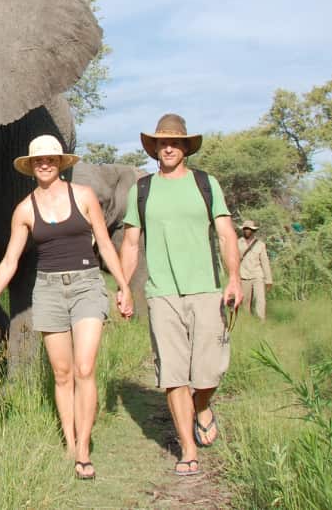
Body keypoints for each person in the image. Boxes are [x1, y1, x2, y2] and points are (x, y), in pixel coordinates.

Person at [0, 135, 133, 481]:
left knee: (85, 368)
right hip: (49, 291)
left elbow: (103, 242)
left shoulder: (83, 196)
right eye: (39, 160)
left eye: (51, 159)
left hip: (86, 284)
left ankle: (83, 449)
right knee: (62, 373)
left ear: (60, 163)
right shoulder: (24, 210)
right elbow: (10, 261)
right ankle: (69, 441)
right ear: (31, 166)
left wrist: (124, 287)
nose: (45, 164)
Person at [119, 114, 242, 477]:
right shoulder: (141, 190)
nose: (168, 147)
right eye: (161, 142)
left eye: (175, 141)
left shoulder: (206, 184)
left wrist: (234, 277)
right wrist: (125, 287)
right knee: (174, 375)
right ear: (154, 148)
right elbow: (130, 242)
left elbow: (225, 234)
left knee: (208, 374)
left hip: (206, 290)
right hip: (161, 294)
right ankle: (188, 449)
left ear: (186, 147)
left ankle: (202, 406)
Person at [238, 220, 272, 320]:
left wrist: (268, 280)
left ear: (253, 230)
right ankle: (247, 320)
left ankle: (261, 320)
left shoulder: (260, 245)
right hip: (243, 275)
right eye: (245, 229)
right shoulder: (237, 243)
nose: (247, 231)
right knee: (245, 301)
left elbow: (265, 263)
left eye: (249, 229)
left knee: (260, 299)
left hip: (258, 275)